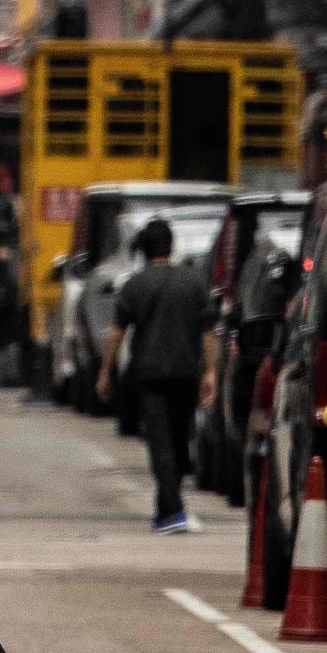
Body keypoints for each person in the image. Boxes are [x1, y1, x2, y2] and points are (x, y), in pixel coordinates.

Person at [106, 217, 207, 535]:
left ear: (144, 250)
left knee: (160, 442)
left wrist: (104, 371)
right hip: (187, 372)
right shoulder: (194, 282)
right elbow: (209, 332)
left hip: (149, 375)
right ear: (171, 246)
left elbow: (117, 334)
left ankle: (171, 509)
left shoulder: (134, 285)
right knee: (178, 440)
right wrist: (213, 371)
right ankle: (167, 508)